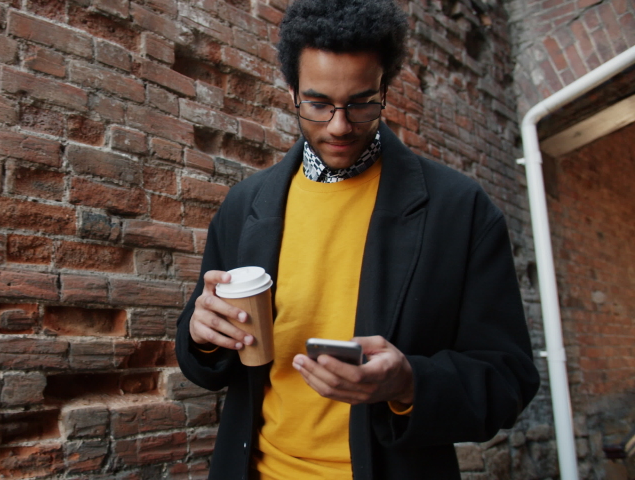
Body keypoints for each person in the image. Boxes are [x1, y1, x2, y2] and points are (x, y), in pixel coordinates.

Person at [174, 0, 541, 478]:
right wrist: (201, 335)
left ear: (385, 88)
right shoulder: (244, 205)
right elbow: (206, 366)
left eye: (362, 102)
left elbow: (508, 381)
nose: (340, 125)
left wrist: (409, 383)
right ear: (292, 92)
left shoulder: (460, 209)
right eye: (319, 103)